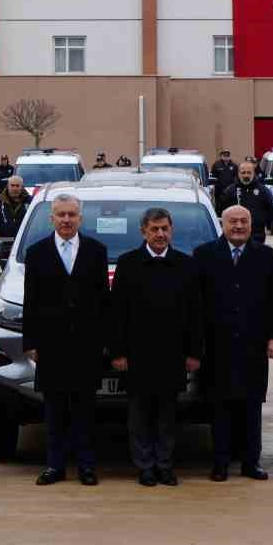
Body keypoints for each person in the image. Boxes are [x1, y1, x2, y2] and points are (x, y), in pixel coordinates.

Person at [109, 207, 203, 487]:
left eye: (164, 229)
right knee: (139, 415)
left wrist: (194, 352)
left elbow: (196, 313)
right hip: (137, 355)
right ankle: (145, 466)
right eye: (154, 229)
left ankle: (164, 465)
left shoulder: (186, 265)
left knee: (166, 415)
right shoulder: (128, 264)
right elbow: (117, 313)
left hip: (173, 354)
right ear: (143, 232)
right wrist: (118, 352)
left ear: (171, 230)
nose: (160, 234)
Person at [24, 193, 108, 487]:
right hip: (51, 345)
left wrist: (103, 341)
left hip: (85, 345)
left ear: (80, 219)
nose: (66, 220)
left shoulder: (97, 251)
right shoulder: (36, 253)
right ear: (52, 218)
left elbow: (102, 300)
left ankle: (86, 466)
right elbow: (30, 301)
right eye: (61, 215)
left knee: (85, 410)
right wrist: (30, 343)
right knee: (55, 411)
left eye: (72, 214)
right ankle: (55, 466)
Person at [194, 205, 273, 481]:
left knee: (251, 406)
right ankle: (220, 462)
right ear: (223, 224)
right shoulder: (204, 255)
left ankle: (250, 463)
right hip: (216, 345)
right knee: (219, 406)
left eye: (244, 221)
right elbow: (196, 304)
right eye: (233, 221)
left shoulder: (266, 256)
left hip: (253, 343)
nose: (239, 226)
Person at [217, 162, 273, 242]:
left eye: (249, 172)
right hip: (235, 236)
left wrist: (262, 220)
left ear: (254, 173)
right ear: (238, 174)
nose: (246, 175)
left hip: (257, 236)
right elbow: (220, 211)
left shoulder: (263, 191)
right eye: (243, 173)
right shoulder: (229, 191)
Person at [0, 175, 30, 240]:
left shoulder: (30, 202)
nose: (15, 188)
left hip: (24, 240)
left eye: (17, 186)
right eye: (12, 185)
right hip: (4, 240)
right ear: (8, 186)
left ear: (22, 187)